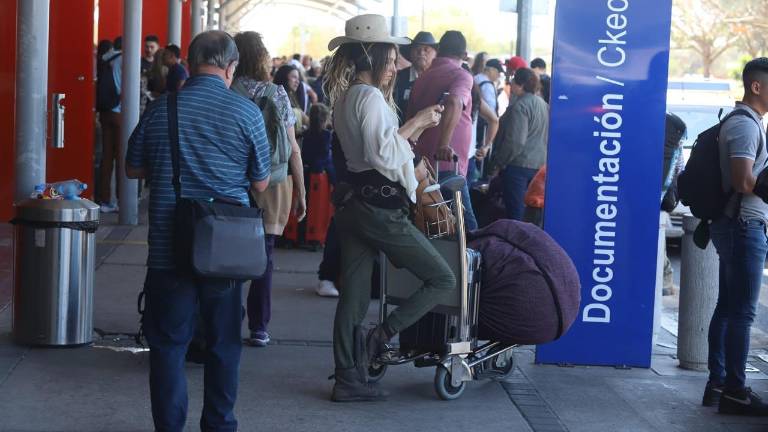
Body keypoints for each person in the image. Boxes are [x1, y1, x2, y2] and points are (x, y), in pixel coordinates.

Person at [125, 30, 272, 431]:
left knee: (169, 347)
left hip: (168, 251)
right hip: (225, 251)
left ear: (187, 63)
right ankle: (220, 424)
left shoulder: (161, 110)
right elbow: (260, 183)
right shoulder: (247, 113)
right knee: (224, 345)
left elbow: (133, 168)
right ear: (231, 66)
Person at [324, 14, 455, 402]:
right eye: (393, 54)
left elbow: (374, 151)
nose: (397, 63)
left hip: (355, 206)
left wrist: (413, 129)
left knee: (353, 298)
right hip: (378, 209)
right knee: (443, 278)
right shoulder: (369, 99)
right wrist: (416, 123)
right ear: (377, 55)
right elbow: (382, 154)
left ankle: (348, 377)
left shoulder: (348, 97)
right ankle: (380, 336)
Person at [231, 31, 308, 348]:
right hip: (274, 183)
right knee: (265, 256)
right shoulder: (277, 93)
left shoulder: (229, 89)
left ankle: (227, 318)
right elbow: (293, 148)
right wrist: (301, 191)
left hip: (233, 181)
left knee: (227, 253)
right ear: (262, 57)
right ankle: (259, 327)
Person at [704, 58, 768, 416]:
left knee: (728, 309)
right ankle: (736, 390)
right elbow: (744, 182)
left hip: (736, 224)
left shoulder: (746, 123)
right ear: (756, 87)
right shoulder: (744, 126)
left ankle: (719, 382)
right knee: (742, 313)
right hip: (743, 225)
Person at [407, 30, 479, 230]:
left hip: (422, 167)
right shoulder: (461, 75)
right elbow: (455, 101)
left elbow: (410, 118)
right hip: (447, 166)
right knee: (467, 229)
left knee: (436, 226)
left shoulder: (422, 78)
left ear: (438, 50)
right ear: (464, 55)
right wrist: (444, 144)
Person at [487, 68, 548, 221]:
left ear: (520, 85)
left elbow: (515, 142)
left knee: (516, 214)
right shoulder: (544, 105)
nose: (511, 84)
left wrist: (499, 163)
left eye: (513, 81)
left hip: (518, 167)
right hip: (539, 166)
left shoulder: (519, 107)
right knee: (532, 215)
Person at [96, 36, 123, 213]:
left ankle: (104, 200)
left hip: (105, 112)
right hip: (120, 112)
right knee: (122, 157)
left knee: (106, 158)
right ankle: (122, 200)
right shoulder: (125, 59)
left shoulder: (105, 59)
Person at [394, 31, 438, 125]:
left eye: (426, 50)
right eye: (417, 49)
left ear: (435, 54)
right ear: (410, 52)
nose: (421, 52)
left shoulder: (439, 79)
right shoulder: (398, 78)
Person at [273, 64, 310, 131]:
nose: (297, 81)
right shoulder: (277, 96)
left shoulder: (291, 95)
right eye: (294, 77)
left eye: (298, 78)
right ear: (284, 77)